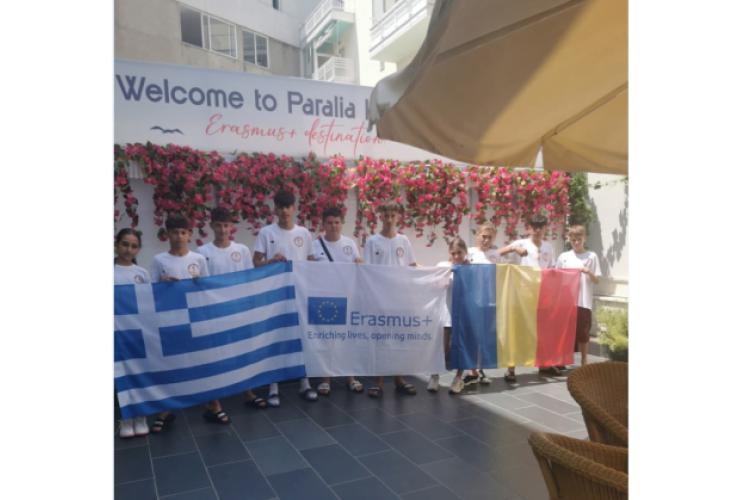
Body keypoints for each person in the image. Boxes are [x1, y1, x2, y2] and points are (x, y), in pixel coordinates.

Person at [149, 214, 231, 432]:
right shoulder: (159, 260)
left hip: (197, 319)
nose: (179, 236)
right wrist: (162, 284)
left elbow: (207, 289)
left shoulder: (199, 259)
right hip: (171, 321)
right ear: (168, 235)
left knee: (205, 363)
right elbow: (150, 293)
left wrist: (200, 284)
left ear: (189, 235)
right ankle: (166, 409)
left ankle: (214, 405)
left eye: (183, 232)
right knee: (172, 365)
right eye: (174, 232)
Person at [253, 190, 318, 405]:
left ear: (294, 208)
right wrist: (270, 262)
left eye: (288, 207)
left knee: (301, 337)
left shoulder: (304, 233)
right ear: (275, 209)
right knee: (275, 337)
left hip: (299, 293)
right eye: (280, 207)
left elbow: (311, 262)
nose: (284, 211)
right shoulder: (266, 233)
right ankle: (273, 387)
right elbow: (256, 262)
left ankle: (304, 383)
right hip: (275, 295)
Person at [198, 207, 267, 409]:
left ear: (231, 227)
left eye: (226, 225)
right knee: (216, 354)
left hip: (239, 310)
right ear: (211, 226)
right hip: (215, 312)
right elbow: (202, 284)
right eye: (218, 225)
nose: (222, 230)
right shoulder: (202, 253)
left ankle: (247, 392)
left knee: (243, 351)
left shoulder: (242, 250)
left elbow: (248, 279)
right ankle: (215, 400)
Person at [363, 202, 418, 398]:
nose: (389, 219)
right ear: (380, 217)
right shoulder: (372, 241)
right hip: (380, 299)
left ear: (398, 217)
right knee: (380, 339)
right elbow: (367, 270)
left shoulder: (404, 241)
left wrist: (430, 276)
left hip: (400, 298)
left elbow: (412, 266)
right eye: (385, 215)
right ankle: (378, 382)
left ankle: (399, 379)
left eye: (392, 215)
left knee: (399, 339)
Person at [310, 206, 365, 395]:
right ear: (323, 224)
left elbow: (360, 268)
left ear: (342, 224)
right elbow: (307, 272)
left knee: (348, 339)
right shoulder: (314, 245)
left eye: (336, 222)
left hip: (347, 299)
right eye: (329, 223)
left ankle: (351, 377)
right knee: (326, 340)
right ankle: (325, 379)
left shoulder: (350, 244)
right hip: (324, 301)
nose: (333, 226)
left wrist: (360, 264)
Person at [499, 214, 558, 381]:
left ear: (545, 228)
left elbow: (552, 269)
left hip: (542, 294)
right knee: (517, 329)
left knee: (543, 329)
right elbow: (498, 252)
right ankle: (511, 368)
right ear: (529, 228)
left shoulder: (549, 247)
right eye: (534, 227)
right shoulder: (521, 243)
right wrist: (513, 249)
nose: (537, 230)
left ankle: (544, 364)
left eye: (541, 227)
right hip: (522, 294)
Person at [114, 228, 151, 438]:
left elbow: (148, 303)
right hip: (116, 334)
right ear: (116, 244)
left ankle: (141, 415)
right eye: (125, 244)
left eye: (134, 246)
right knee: (121, 375)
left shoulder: (142, 273)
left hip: (137, 333)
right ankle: (126, 417)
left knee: (139, 373)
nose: (129, 250)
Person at [462, 222, 502, 386]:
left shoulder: (496, 254)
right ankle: (471, 369)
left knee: (484, 336)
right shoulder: (469, 252)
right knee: (472, 335)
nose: (486, 240)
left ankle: (480, 368)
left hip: (489, 301)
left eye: (489, 238)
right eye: (483, 237)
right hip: (472, 300)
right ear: (477, 235)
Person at [556, 224, 601, 366]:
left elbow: (597, 280)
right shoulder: (564, 257)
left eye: (579, 239)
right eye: (573, 239)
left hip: (583, 301)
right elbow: (557, 278)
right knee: (564, 332)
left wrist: (588, 272)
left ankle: (584, 360)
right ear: (569, 239)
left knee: (583, 333)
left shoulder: (591, 256)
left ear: (585, 238)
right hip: (567, 302)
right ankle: (562, 360)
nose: (576, 242)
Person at [431, 237, 470, 394]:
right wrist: (444, 279)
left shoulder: (471, 269)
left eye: (459, 253)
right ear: (449, 253)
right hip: (446, 312)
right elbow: (434, 284)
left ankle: (458, 379)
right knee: (442, 348)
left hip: (464, 314)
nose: (456, 256)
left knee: (462, 348)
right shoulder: (442, 266)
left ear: (465, 252)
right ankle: (434, 376)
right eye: (453, 253)